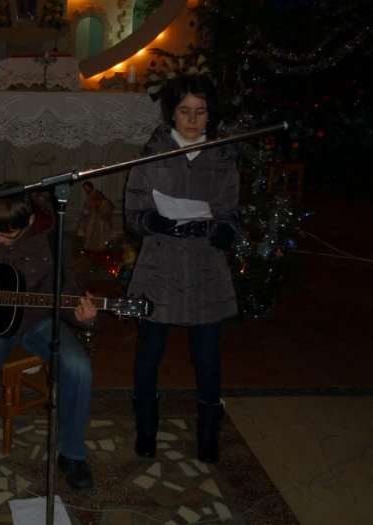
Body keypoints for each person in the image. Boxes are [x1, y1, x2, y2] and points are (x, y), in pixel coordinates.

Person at [0, 182, 98, 491]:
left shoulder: (52, 235)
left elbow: (66, 290)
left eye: (9, 234)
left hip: (37, 321)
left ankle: (71, 454)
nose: (0, 240)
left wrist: (86, 318)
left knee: (78, 366)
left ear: (29, 220)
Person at [124, 75, 239, 464]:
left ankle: (208, 432)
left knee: (207, 356)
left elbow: (230, 211)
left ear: (210, 114)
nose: (192, 119)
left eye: (200, 112)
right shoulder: (151, 155)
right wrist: (151, 221)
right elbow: (133, 214)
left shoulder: (222, 156)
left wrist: (224, 230)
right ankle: (146, 429)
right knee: (149, 352)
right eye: (184, 111)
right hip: (160, 264)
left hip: (205, 266)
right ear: (171, 113)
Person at [76, 180, 115, 250]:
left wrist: (97, 207)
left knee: (94, 232)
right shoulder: (91, 195)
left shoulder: (95, 194)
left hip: (98, 218)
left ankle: (93, 246)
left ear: (90, 187)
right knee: (89, 230)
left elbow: (104, 204)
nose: (85, 189)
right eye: (84, 188)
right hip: (93, 217)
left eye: (86, 187)